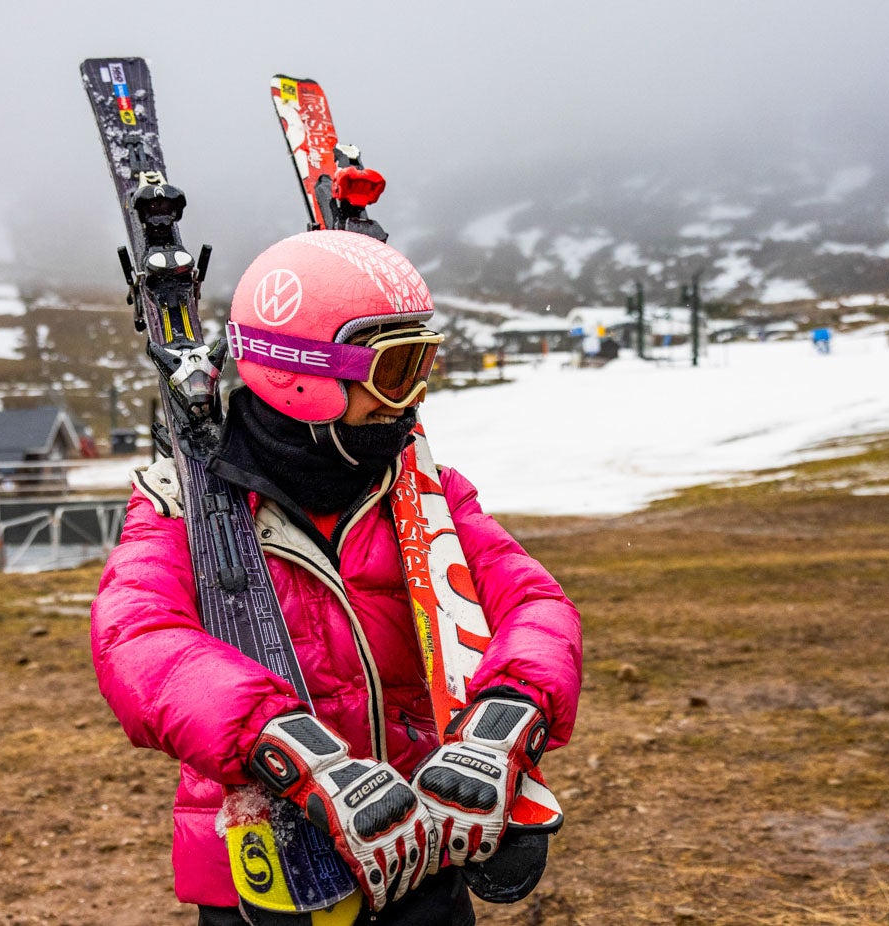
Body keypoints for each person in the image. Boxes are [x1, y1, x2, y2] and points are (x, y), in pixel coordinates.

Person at [90, 230, 583, 926]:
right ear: (302, 372)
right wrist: (294, 753)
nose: (410, 397)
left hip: (418, 839)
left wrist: (503, 725)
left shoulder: (427, 493)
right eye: (394, 369)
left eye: (422, 365)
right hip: (270, 870)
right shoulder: (184, 502)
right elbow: (137, 641)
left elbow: (534, 603)